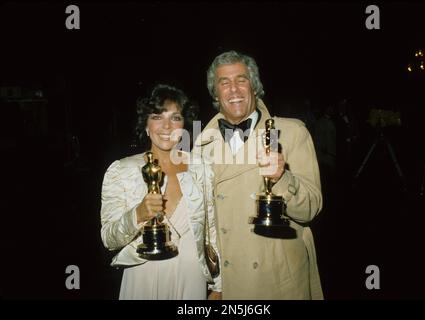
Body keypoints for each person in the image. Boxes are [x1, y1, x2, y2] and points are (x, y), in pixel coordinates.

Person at [193, 50, 324, 299]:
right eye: (224, 83)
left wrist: (282, 178)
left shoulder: (292, 132)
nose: (233, 90)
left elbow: (311, 208)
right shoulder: (201, 144)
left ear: (254, 86)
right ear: (215, 93)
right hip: (232, 284)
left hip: (279, 283)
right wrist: (215, 283)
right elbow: (203, 221)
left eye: (241, 80)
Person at [100, 84, 222, 300]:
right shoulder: (121, 170)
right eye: (157, 116)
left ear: (184, 124)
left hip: (191, 276)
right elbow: (109, 239)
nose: (167, 126)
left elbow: (212, 231)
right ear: (146, 125)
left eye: (175, 118)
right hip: (143, 274)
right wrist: (138, 214)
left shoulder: (201, 167)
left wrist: (218, 286)